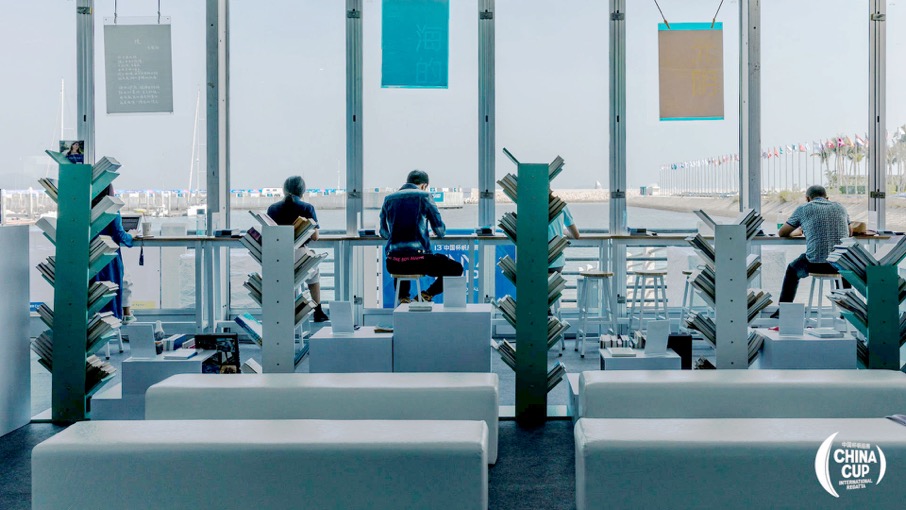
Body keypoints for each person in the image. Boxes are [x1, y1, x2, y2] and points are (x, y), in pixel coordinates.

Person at [380, 169, 463, 302]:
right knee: (456, 268)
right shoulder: (424, 196)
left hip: (393, 264)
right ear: (424, 185)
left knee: (402, 259)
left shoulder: (389, 199)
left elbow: (384, 233)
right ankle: (426, 295)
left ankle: (403, 298)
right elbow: (440, 230)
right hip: (418, 262)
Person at [266, 175, 329, 322]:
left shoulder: (272, 208)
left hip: (276, 256)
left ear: (284, 189)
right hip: (297, 254)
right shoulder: (307, 208)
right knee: (313, 272)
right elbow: (315, 237)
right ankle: (318, 310)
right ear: (302, 191)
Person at [775, 185, 851, 305]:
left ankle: (784, 309)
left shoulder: (803, 209)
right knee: (844, 266)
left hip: (815, 265)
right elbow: (850, 233)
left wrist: (797, 232)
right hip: (839, 266)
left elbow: (782, 232)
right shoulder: (841, 207)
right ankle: (847, 308)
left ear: (807, 198)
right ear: (827, 198)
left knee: (792, 269)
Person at [90, 185, 133, 319]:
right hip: (109, 258)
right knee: (113, 289)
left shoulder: (85, 208)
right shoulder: (111, 208)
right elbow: (120, 235)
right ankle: (121, 317)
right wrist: (131, 236)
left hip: (91, 257)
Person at [549, 203, 580, 274]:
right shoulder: (560, 205)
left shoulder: (532, 205)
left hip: (535, 260)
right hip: (556, 260)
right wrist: (561, 230)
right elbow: (576, 235)